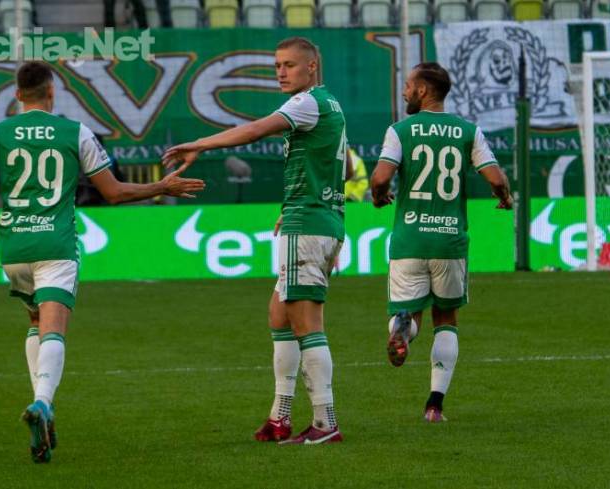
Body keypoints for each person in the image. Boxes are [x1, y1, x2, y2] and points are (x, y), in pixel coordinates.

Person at [0, 61, 204, 463]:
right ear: (52, 93)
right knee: (54, 327)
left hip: (14, 245)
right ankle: (43, 403)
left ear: (17, 95)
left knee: (35, 321)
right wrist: (161, 186)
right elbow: (114, 193)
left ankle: (42, 405)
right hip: (55, 243)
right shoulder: (76, 132)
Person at [163, 37, 347, 445]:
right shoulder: (330, 105)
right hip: (316, 218)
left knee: (307, 325)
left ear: (312, 66)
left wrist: (200, 144)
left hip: (308, 224)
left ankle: (325, 423)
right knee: (279, 316)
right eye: (277, 65)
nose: (280, 72)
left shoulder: (306, 103)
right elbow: (343, 165)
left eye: (289, 65)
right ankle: (280, 417)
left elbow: (255, 130)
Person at [370, 62, 512, 423]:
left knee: (409, 313)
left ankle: (403, 329)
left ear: (423, 90)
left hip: (409, 240)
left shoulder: (399, 130)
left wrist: (379, 196)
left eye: (408, 85)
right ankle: (434, 406)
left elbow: (380, 177)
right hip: (449, 240)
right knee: (446, 318)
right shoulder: (468, 131)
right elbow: (495, 178)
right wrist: (505, 196)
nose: (404, 91)